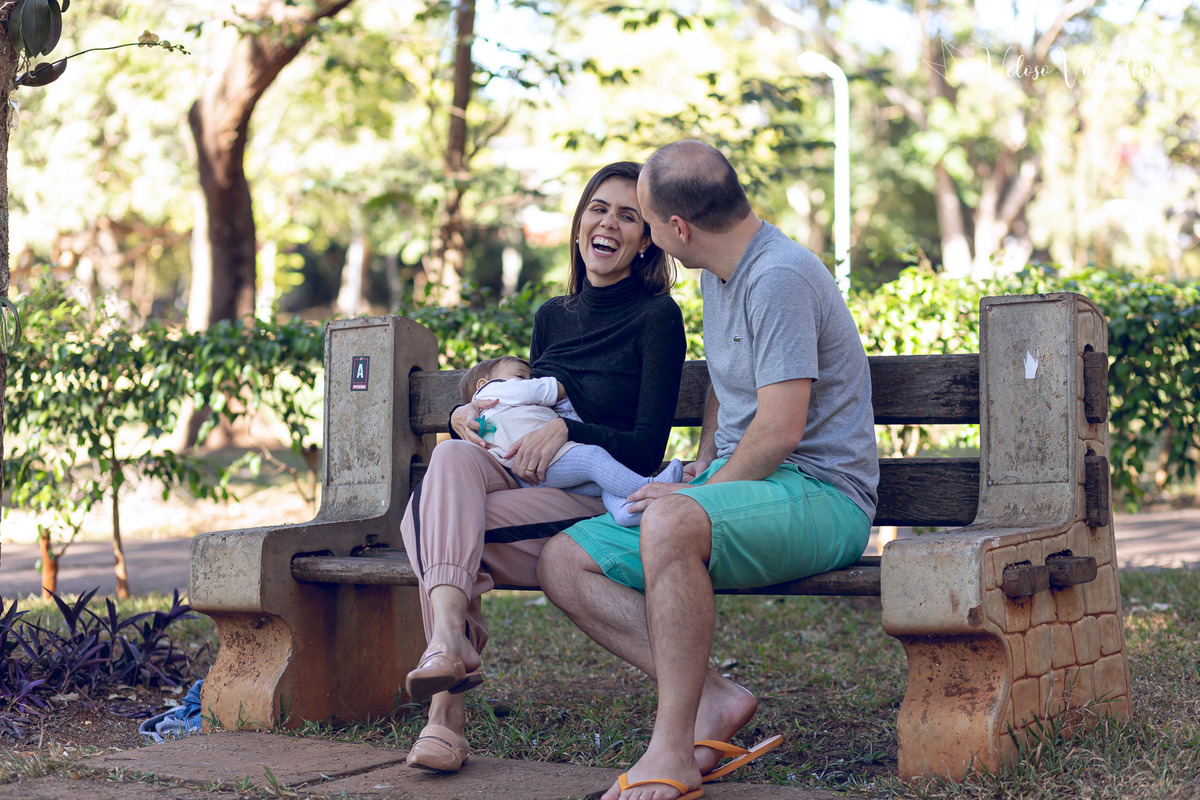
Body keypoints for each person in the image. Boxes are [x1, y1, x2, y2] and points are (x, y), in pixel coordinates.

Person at [536, 140, 880, 800]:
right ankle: (714, 699)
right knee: (564, 562)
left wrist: (693, 500)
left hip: (822, 494)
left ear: (677, 229)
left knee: (668, 522)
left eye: (644, 218)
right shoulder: (720, 275)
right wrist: (700, 465)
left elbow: (780, 430)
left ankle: (669, 753)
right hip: (752, 487)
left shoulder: (779, 276)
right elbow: (729, 385)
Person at [398, 161, 686, 773]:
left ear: (646, 240)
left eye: (628, 215)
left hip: (590, 487)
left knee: (434, 522)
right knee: (450, 456)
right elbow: (525, 401)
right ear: (581, 221)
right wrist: (464, 416)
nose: (608, 223)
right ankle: (447, 643)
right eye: (599, 208)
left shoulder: (657, 316)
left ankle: (444, 715)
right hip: (525, 476)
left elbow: (642, 446)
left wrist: (569, 429)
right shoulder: (553, 315)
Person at [461, 354, 684, 527]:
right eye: (520, 377)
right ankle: (652, 488)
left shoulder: (494, 408)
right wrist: (562, 385)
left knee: (602, 481)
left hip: (538, 464)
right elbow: (534, 390)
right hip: (535, 461)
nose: (528, 381)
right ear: (483, 384)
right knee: (593, 457)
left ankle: (625, 511)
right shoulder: (492, 392)